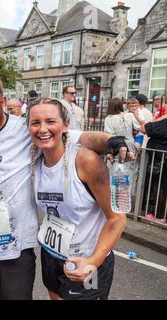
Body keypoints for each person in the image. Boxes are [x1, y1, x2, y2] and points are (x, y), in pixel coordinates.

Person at [0, 70, 134, 300]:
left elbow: (82, 137)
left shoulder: (32, 133)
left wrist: (113, 141)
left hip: (21, 251)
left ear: (2, 102)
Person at [27, 97, 126, 300]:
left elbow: (117, 218)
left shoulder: (84, 160)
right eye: (35, 123)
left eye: (50, 121)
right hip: (52, 254)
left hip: (88, 259)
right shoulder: (34, 158)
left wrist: (93, 261)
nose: (42, 129)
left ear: (66, 126)